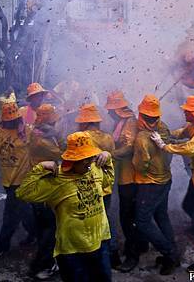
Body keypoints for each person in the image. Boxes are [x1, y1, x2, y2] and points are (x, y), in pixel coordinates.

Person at [16, 131, 113, 282]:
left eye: (91, 157)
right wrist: (40, 168)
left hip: (101, 241)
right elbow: (23, 193)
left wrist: (107, 158)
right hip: (73, 251)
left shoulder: (94, 169)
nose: (89, 163)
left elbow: (107, 181)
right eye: (84, 159)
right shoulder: (57, 179)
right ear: (73, 160)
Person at [151, 95, 194, 272]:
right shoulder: (193, 125)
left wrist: (163, 146)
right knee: (188, 205)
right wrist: (165, 135)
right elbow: (180, 132)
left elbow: (191, 148)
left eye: (186, 110)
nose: (183, 112)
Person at [0, 102, 36, 262]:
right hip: (7, 180)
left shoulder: (27, 130)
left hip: (23, 180)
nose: (13, 122)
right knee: (23, 211)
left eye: (15, 119)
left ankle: (1, 246)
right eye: (10, 120)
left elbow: (42, 146)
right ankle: (36, 233)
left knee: (9, 215)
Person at [132, 95, 178, 275]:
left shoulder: (142, 138)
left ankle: (169, 253)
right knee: (161, 215)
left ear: (142, 115)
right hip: (165, 179)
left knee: (142, 221)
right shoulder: (163, 127)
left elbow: (139, 165)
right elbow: (169, 151)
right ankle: (172, 250)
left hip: (150, 184)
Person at [75, 103, 119, 268]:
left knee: (88, 223)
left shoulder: (80, 137)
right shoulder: (108, 138)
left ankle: (95, 258)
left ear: (84, 122)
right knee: (106, 220)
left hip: (89, 188)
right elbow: (111, 158)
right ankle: (113, 255)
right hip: (106, 187)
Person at [106, 90, 143, 272]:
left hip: (130, 177)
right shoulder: (122, 122)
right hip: (124, 175)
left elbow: (128, 148)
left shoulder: (129, 122)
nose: (108, 113)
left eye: (111, 110)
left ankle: (132, 255)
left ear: (117, 109)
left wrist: (110, 154)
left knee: (127, 219)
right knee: (130, 217)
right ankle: (140, 246)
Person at [28, 104, 62, 279]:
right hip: (46, 191)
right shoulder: (43, 141)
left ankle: (40, 262)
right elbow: (64, 153)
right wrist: (58, 135)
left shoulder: (35, 132)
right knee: (51, 228)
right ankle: (43, 264)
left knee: (43, 227)